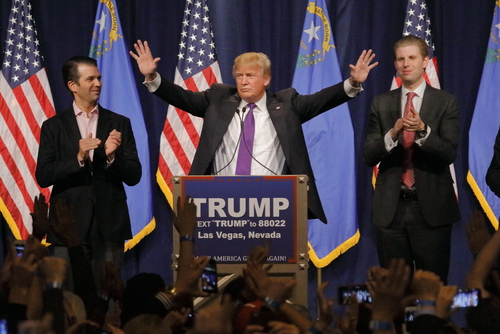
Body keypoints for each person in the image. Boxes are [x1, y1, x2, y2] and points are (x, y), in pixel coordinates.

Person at [130, 40, 377, 223]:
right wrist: (152, 76)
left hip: (272, 201)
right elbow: (181, 97)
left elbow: (324, 99)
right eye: (239, 76)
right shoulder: (218, 99)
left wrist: (353, 83)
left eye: (250, 75)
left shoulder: (288, 103)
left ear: (266, 79)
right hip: (220, 200)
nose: (243, 81)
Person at [35, 55, 142, 281]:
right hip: (67, 227)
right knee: (67, 302)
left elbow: (134, 175)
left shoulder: (119, 123)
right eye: (90, 79)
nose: (98, 84)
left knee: (109, 300)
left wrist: (112, 158)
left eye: (99, 78)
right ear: (73, 86)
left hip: (110, 227)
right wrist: (78, 157)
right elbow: (44, 175)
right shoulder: (53, 126)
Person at [364, 35, 460, 283]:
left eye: (412, 58)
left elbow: (449, 152)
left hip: (431, 210)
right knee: (395, 289)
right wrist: (393, 133)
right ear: (395, 64)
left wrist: (423, 131)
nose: (406, 63)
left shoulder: (445, 101)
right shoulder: (381, 103)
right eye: (400, 59)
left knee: (432, 287)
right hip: (390, 210)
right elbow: (369, 154)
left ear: (425, 61)